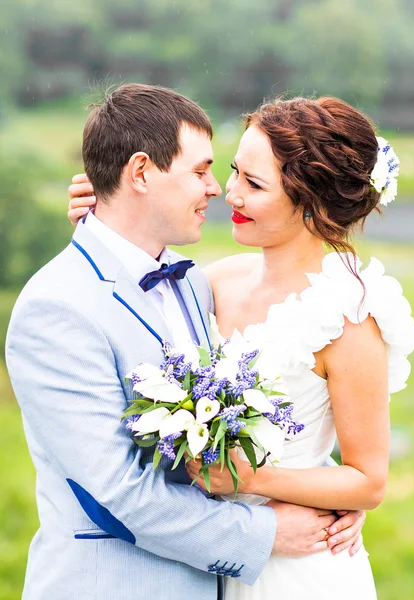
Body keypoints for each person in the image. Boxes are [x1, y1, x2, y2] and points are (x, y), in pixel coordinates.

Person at [6, 84, 364, 600]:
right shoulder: (56, 307)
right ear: (142, 172)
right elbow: (116, 492)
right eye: (200, 171)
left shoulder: (194, 285)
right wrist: (268, 533)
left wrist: (327, 494)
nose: (217, 188)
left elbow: (252, 412)